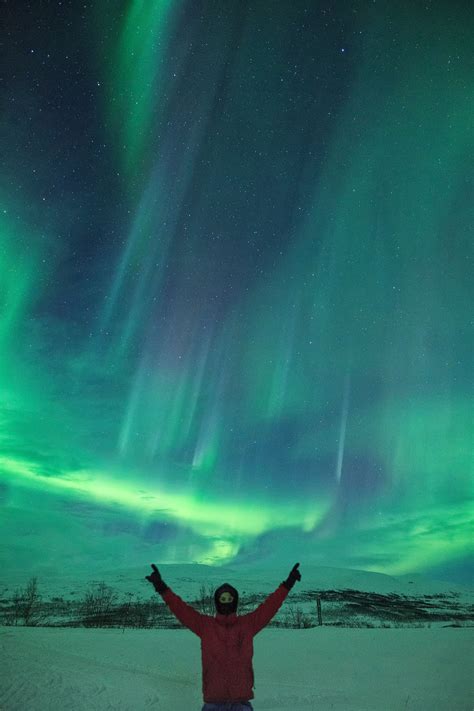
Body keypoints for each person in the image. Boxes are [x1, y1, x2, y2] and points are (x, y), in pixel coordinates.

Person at [145, 561, 302, 710]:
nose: (226, 602)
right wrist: (161, 587)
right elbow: (181, 610)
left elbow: (270, 606)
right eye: (223, 598)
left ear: (235, 601)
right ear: (217, 601)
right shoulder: (205, 626)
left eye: (229, 598)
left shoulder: (248, 625)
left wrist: (288, 584)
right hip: (213, 703)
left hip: (241, 703)